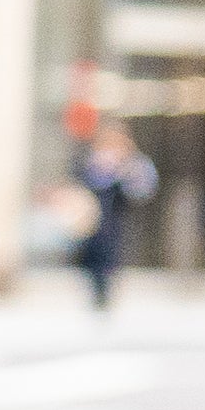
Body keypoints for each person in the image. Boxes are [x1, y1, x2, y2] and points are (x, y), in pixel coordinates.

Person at [71, 123, 155, 310]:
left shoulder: (132, 162)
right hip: (93, 219)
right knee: (93, 255)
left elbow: (142, 188)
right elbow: (82, 182)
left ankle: (105, 292)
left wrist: (124, 170)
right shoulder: (90, 159)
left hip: (116, 218)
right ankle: (97, 291)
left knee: (110, 254)